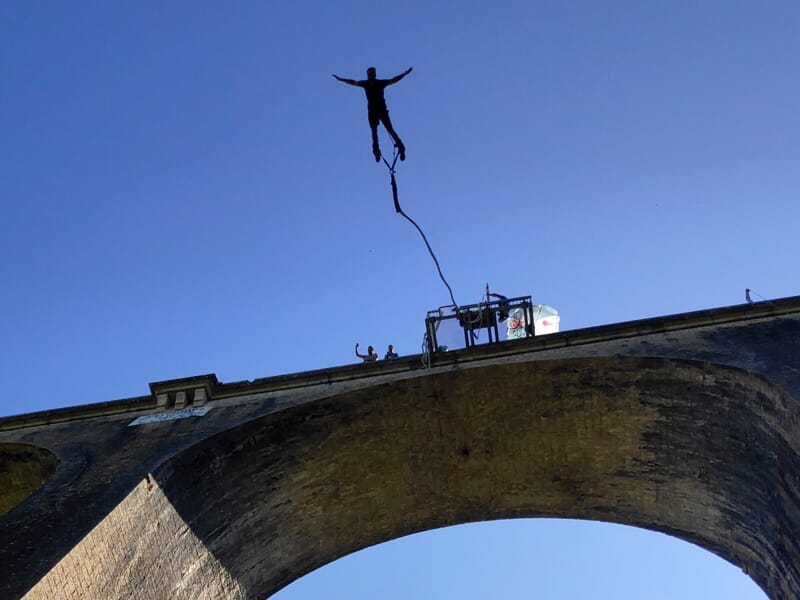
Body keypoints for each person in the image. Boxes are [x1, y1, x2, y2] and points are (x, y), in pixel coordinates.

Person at [333, 66, 413, 162]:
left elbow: (394, 80)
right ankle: (376, 151)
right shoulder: (365, 84)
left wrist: (404, 74)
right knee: (374, 131)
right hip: (372, 110)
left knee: (390, 129)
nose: (370, 76)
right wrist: (341, 79)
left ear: (375, 75)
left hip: (382, 110)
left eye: (371, 74)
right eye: (369, 75)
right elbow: (353, 82)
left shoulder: (380, 83)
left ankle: (401, 147)